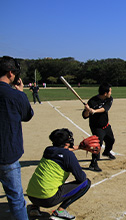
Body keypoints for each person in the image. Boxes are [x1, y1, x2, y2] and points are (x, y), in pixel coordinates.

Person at [26, 128, 91, 220]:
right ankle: (60, 211)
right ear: (66, 143)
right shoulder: (68, 155)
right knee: (85, 183)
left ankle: (34, 208)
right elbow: (80, 178)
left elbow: (61, 152)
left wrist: (79, 147)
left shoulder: (48, 150)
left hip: (31, 196)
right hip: (48, 200)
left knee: (43, 179)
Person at [0, 56, 34, 220]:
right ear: (11, 73)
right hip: (7, 154)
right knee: (16, 199)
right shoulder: (15, 95)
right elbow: (27, 115)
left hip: (7, 153)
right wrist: (20, 93)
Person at [82, 82, 116, 172]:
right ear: (105, 93)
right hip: (96, 127)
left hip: (106, 125)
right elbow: (85, 116)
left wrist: (94, 111)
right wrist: (87, 110)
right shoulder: (92, 101)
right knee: (97, 145)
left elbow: (105, 108)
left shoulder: (109, 99)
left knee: (111, 140)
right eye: (110, 91)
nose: (110, 93)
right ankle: (93, 164)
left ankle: (106, 152)